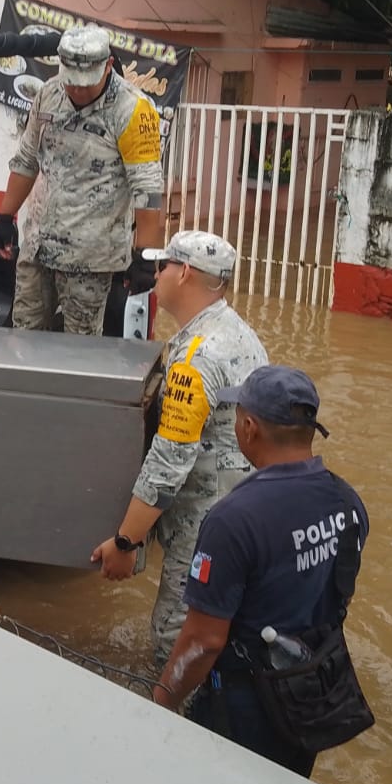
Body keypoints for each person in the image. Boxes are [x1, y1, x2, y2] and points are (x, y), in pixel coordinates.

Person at [150, 364, 368, 777]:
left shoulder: (233, 519)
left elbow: (203, 641)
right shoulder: (348, 502)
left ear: (249, 427)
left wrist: (162, 700)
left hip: (243, 704)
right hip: (311, 691)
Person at [90, 230, 268, 669]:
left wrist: (126, 541)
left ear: (185, 272)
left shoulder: (195, 359)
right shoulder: (240, 335)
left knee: (176, 644)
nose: (157, 275)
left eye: (162, 266)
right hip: (247, 511)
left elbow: (168, 464)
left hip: (204, 527)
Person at [0, 24, 164, 336]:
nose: (78, 91)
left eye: (86, 84)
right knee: (22, 335)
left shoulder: (132, 109)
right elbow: (27, 160)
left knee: (81, 349)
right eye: (72, 82)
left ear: (108, 66)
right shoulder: (47, 94)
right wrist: (5, 217)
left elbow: (148, 190)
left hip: (90, 258)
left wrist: (144, 256)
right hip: (38, 246)